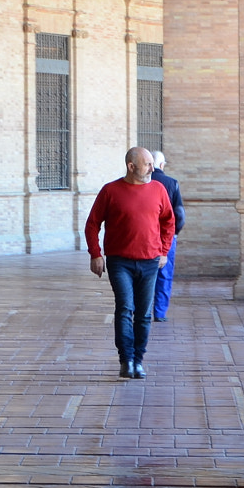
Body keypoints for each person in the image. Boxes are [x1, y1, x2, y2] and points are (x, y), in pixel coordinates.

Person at [85, 146, 177, 380]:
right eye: (147, 164)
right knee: (125, 308)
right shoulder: (111, 191)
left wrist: (164, 251)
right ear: (131, 166)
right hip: (120, 262)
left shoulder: (158, 189)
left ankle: (138, 360)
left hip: (150, 262)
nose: (151, 168)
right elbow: (93, 223)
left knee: (144, 314)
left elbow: (169, 221)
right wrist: (96, 254)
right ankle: (126, 360)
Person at [149, 151, 186, 321]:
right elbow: (180, 214)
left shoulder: (141, 182)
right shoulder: (171, 183)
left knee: (142, 273)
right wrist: (174, 233)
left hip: (145, 237)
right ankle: (160, 312)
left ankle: (140, 310)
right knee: (164, 274)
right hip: (166, 237)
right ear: (162, 165)